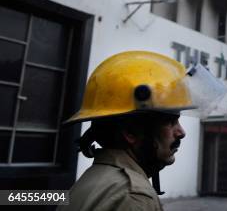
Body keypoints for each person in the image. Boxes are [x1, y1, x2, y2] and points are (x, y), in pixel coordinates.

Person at [61, 51, 218, 211]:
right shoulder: (134, 197)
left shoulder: (93, 180)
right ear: (130, 132)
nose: (181, 132)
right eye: (169, 121)